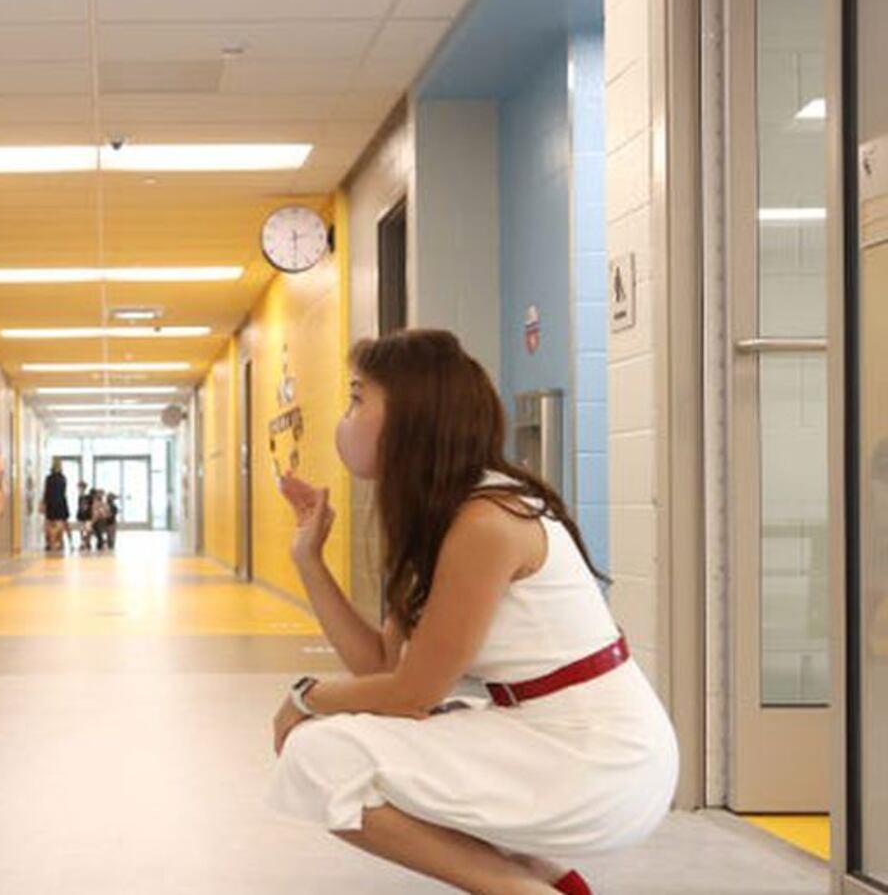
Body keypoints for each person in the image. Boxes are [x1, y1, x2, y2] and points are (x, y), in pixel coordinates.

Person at [267, 330, 677, 895]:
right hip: (548, 732)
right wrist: (308, 560)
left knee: (321, 755)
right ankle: (546, 879)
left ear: (412, 417)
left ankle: (520, 889)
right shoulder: (448, 514)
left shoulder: (486, 521)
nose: (347, 415)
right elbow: (382, 671)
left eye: (359, 397)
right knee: (345, 737)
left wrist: (304, 698)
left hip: (599, 756)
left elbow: (412, 694)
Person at [42, 459, 70, 552]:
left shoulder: (48, 478)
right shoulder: (63, 478)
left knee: (50, 524)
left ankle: (51, 542)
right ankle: (58, 542)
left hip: (50, 503)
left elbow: (46, 493)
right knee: (59, 524)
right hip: (61, 503)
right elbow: (63, 492)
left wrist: (44, 503)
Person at [73, 480, 93, 551]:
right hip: (81, 516)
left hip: (87, 516)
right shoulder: (80, 496)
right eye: (79, 487)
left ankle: (87, 542)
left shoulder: (88, 496)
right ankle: (83, 542)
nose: (79, 489)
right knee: (82, 530)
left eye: (81, 487)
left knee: (88, 530)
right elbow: (80, 507)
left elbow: (88, 506)